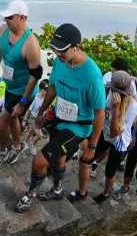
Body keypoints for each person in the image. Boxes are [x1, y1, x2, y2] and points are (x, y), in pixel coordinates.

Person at [15, 24, 105, 213]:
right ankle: (57, 189)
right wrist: (41, 112)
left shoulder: (92, 75)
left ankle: (30, 194)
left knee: (40, 160)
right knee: (59, 157)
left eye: (62, 50)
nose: (58, 53)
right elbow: (53, 88)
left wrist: (92, 146)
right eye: (56, 49)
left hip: (78, 127)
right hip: (59, 117)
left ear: (77, 47)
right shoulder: (59, 62)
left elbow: (99, 113)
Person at [0, 0, 43, 168]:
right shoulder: (3, 30)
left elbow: (35, 76)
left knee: (1, 122)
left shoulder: (31, 44)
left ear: (21, 17)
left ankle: (4, 149)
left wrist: (23, 102)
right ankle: (18, 146)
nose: (5, 20)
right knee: (12, 120)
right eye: (5, 17)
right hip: (9, 85)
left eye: (9, 17)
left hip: (24, 91)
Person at [85, 71, 137, 203]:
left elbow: (115, 133)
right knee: (88, 157)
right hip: (105, 132)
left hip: (119, 141)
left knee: (109, 171)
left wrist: (116, 109)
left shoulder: (132, 106)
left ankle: (106, 192)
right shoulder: (109, 92)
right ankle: (85, 183)